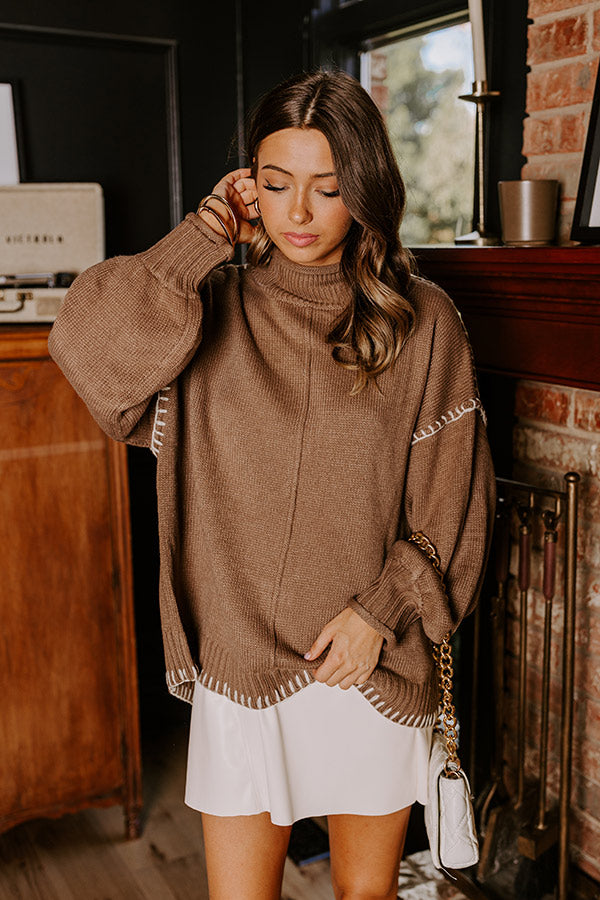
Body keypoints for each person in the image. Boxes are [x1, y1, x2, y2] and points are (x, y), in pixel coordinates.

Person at [48, 69, 496, 900]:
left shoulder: (423, 319)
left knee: (366, 895)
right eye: (277, 183)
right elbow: (90, 353)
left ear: (366, 189)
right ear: (248, 184)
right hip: (241, 660)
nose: (299, 213)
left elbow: (456, 501)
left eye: (328, 188)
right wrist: (202, 235)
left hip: (368, 659)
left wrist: (382, 613)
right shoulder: (206, 306)